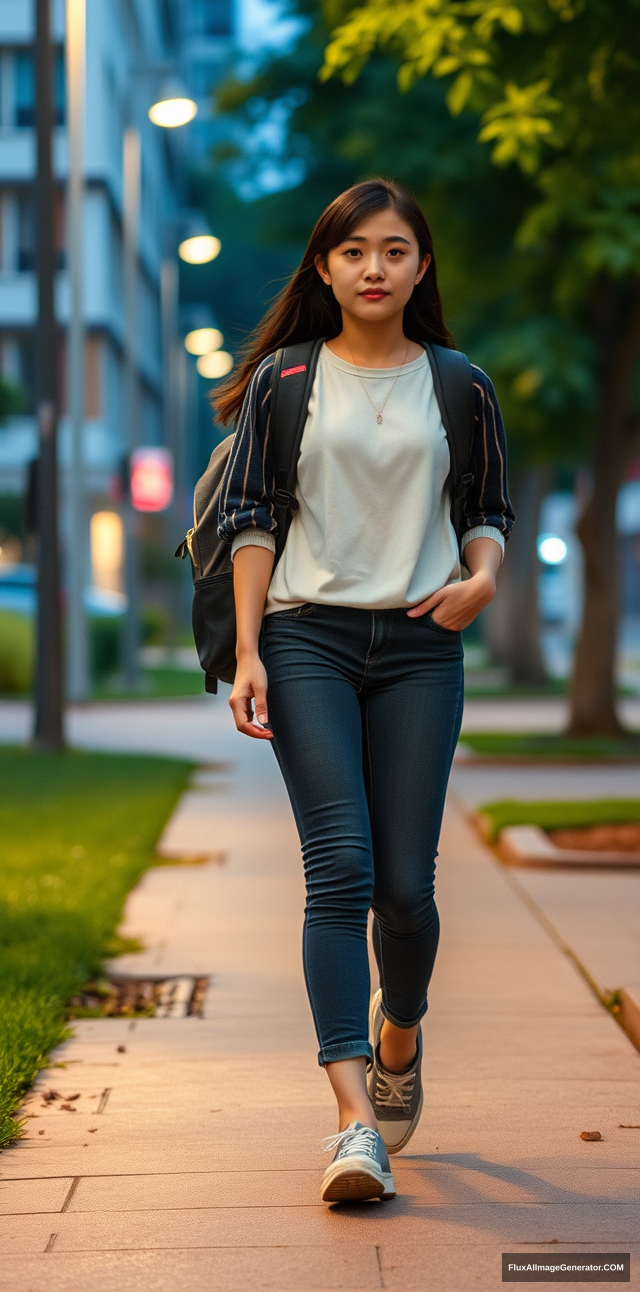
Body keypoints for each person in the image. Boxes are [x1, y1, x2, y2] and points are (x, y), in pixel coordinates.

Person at [216, 178, 513, 1204]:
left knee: (406, 889)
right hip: (307, 639)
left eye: (393, 250)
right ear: (324, 268)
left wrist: (481, 579)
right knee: (336, 867)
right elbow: (250, 517)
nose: (373, 268)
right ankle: (353, 1124)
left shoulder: (459, 384)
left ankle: (400, 1033)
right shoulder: (286, 380)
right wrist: (250, 652)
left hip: (423, 645)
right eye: (353, 252)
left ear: (420, 267)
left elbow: (486, 510)